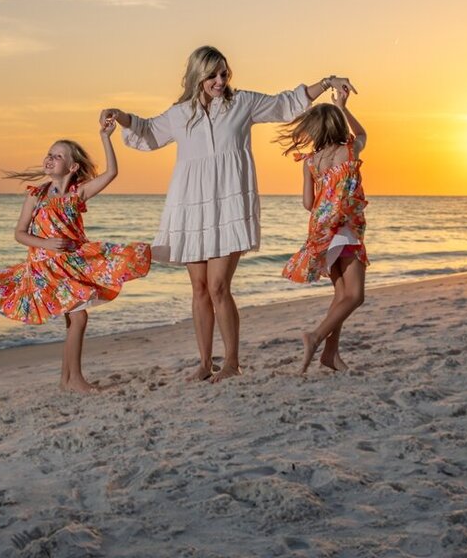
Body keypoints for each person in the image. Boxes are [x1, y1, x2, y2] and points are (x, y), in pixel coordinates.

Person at [101, 45, 354, 382]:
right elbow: (147, 131)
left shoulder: (242, 103)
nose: (220, 80)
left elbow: (285, 103)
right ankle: (205, 364)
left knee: (220, 286)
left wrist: (326, 82)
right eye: (212, 75)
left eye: (224, 74)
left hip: (230, 205)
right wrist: (120, 116)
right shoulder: (180, 115)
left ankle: (232, 363)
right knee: (200, 289)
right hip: (192, 206)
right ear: (197, 76)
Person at [0, 118, 150, 393]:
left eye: (57, 156)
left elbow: (111, 173)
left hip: (72, 266)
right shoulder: (36, 196)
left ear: (72, 167)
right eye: (49, 154)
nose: (50, 158)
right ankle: (73, 380)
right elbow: (20, 233)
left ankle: (68, 380)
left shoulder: (77, 193)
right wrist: (46, 243)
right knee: (79, 318)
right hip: (45, 269)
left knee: (76, 318)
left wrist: (105, 137)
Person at [277, 83, 369, 374]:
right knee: (355, 296)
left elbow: (308, 203)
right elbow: (364, 134)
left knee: (341, 296)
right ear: (339, 126)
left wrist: (325, 196)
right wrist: (344, 106)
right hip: (345, 230)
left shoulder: (309, 162)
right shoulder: (349, 151)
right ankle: (315, 337)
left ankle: (331, 354)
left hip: (321, 234)